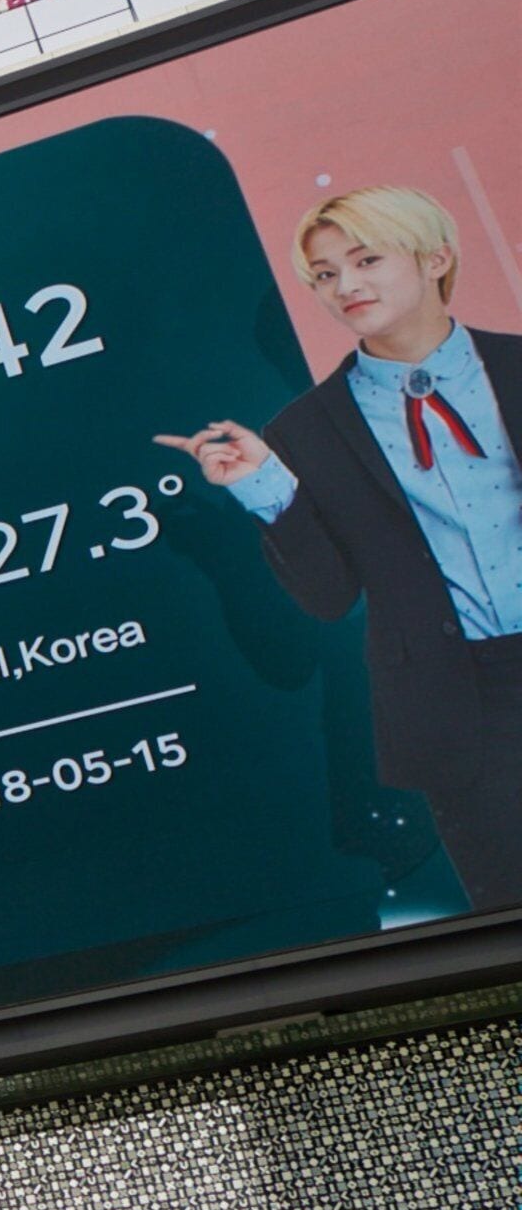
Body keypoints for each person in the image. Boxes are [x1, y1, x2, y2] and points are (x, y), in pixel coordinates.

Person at [162, 184, 522, 907]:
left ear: (435, 258)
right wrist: (264, 489)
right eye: (325, 275)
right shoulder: (305, 429)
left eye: (366, 260)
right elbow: (328, 599)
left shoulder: (515, 366)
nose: (345, 286)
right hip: (461, 709)